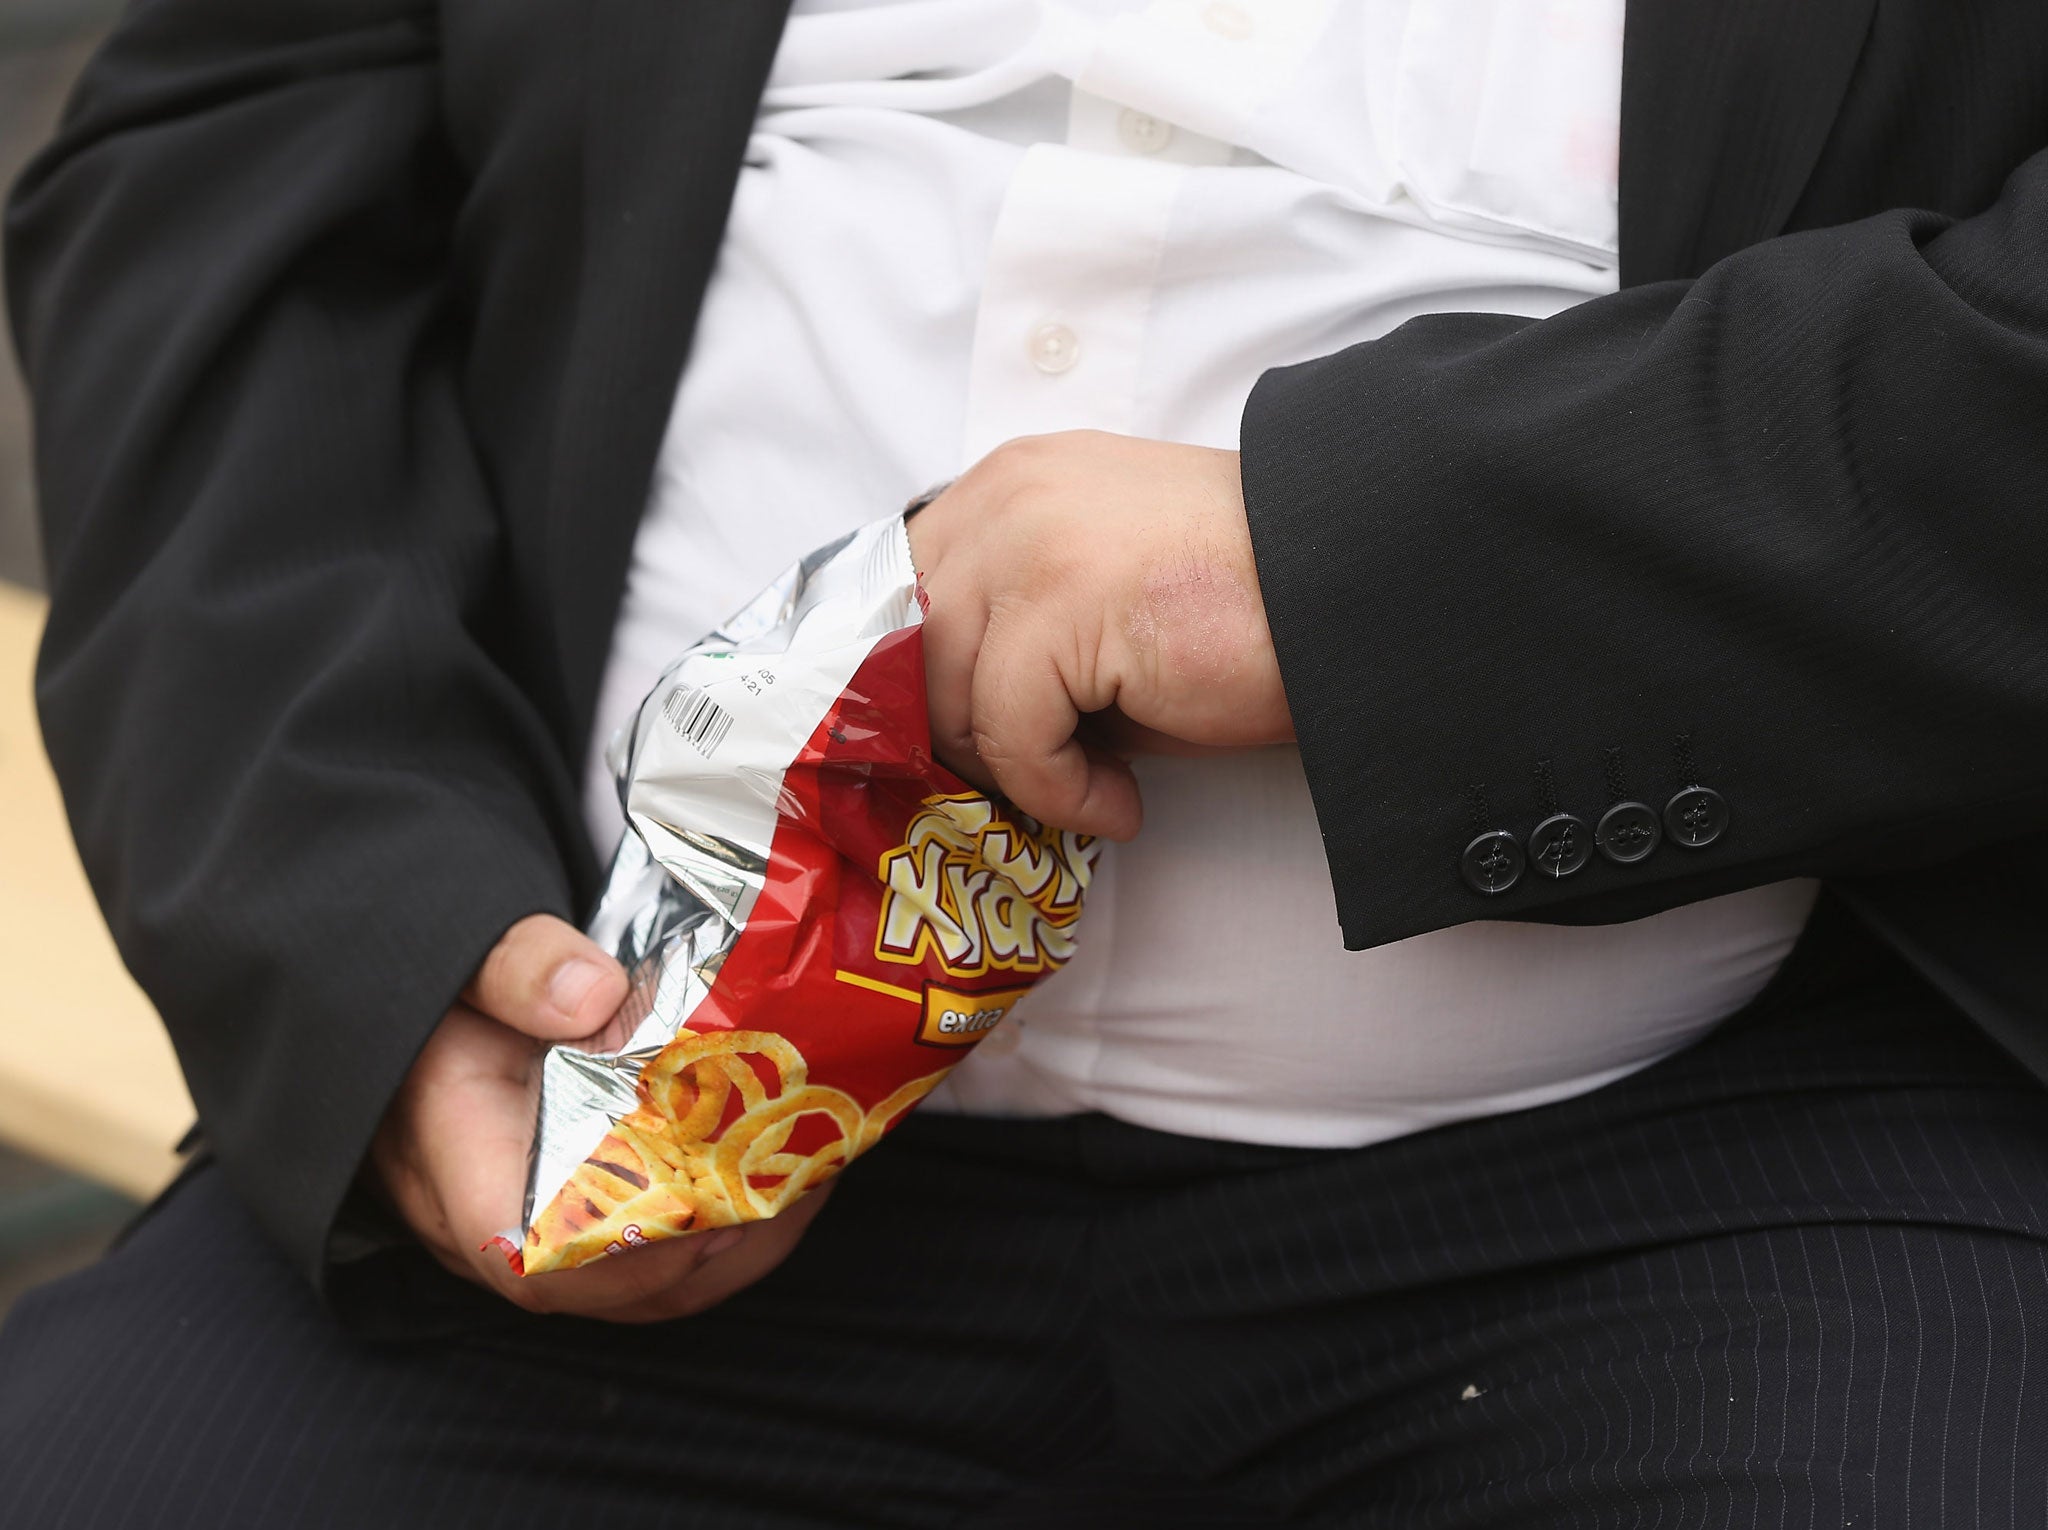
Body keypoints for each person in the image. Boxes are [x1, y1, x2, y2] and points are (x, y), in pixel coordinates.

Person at [5, 0, 2048, 1523]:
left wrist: (1365, 560)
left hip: (1743, 1143)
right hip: (620, 1095)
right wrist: (363, 921)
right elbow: (236, 138)